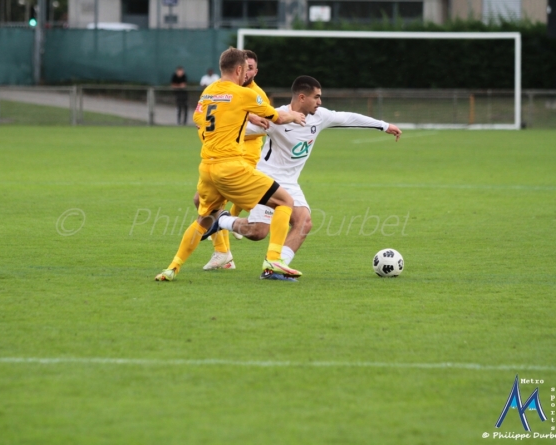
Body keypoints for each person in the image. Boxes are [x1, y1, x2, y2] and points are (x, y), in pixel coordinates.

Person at [202, 75, 402, 274]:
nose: (320, 101)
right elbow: (235, 130)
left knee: (303, 222)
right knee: (258, 232)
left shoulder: (320, 116)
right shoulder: (276, 116)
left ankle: (276, 267)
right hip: (267, 179)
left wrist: (384, 126)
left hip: (290, 182)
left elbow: (348, 117)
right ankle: (221, 221)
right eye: (316, 97)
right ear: (301, 97)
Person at [154, 48, 307, 282]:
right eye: (245, 69)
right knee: (285, 201)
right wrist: (295, 116)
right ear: (238, 69)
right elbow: (277, 118)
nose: (246, 73)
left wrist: (245, 117)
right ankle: (274, 260)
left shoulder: (208, 92)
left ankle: (172, 267)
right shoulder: (244, 94)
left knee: (204, 218)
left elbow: (198, 119)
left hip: (207, 167)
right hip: (232, 166)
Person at [200, 49, 271, 270]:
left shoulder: (256, 94)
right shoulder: (222, 92)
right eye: (244, 67)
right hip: (222, 157)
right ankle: (223, 252)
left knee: (208, 205)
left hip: (246, 157)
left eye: (251, 68)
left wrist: (230, 130)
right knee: (201, 202)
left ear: (254, 71)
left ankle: (226, 243)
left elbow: (267, 128)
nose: (246, 72)